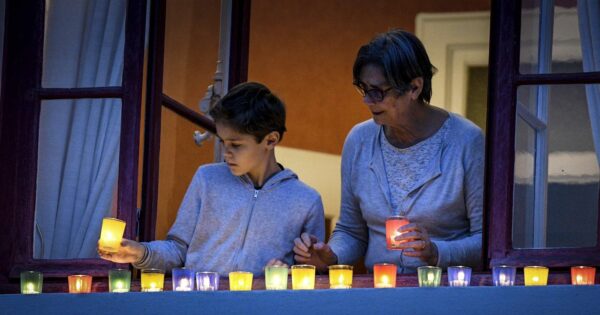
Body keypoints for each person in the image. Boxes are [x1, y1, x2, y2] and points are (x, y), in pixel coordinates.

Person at [294, 29, 483, 274]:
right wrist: (331, 255)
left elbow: (487, 241)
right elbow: (352, 231)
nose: (367, 101)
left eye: (378, 92)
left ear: (414, 88)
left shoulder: (466, 141)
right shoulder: (359, 140)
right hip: (380, 294)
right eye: (364, 89)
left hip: (444, 295)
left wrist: (436, 252)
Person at [99, 82, 325, 275]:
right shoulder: (206, 179)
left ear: (270, 140)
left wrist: (286, 276)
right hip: (197, 306)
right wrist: (141, 252)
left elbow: (310, 276)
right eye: (223, 142)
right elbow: (179, 250)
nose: (226, 153)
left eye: (236, 145)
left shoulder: (306, 202)